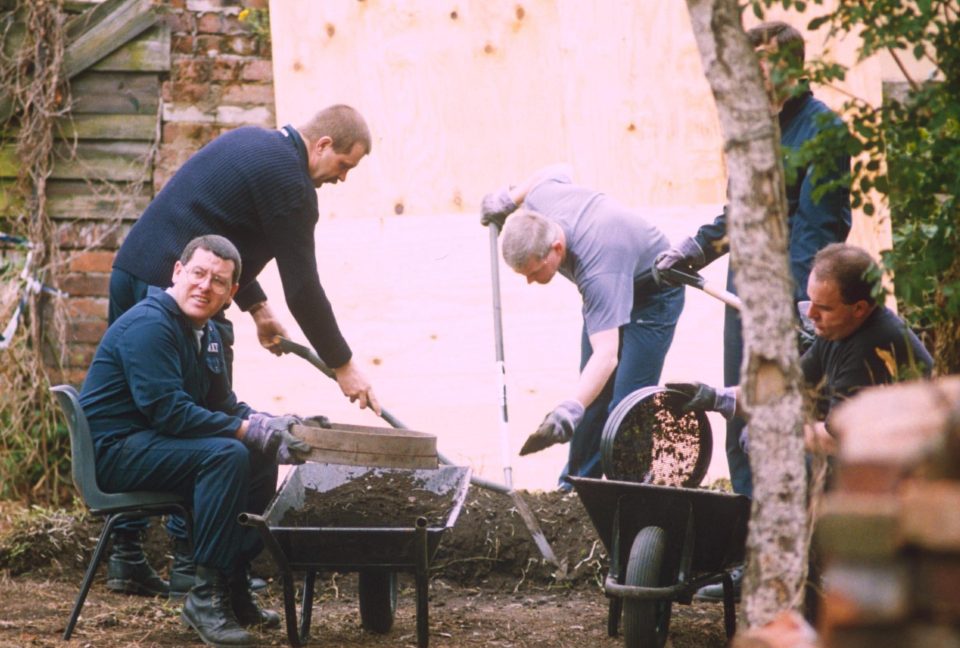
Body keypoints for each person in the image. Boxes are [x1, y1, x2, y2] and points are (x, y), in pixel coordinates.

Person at [103, 104, 381, 597]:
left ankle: (126, 557)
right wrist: (344, 364)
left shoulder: (255, 144)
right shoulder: (294, 187)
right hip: (166, 291)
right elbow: (304, 288)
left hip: (134, 270)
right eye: (344, 166)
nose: (341, 179)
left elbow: (220, 229)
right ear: (321, 146)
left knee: (136, 414)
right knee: (194, 418)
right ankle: (192, 563)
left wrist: (255, 307)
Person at [79, 235, 313, 647]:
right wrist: (245, 432)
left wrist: (272, 424)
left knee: (256, 454)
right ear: (177, 272)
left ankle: (233, 583)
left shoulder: (208, 333)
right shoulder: (150, 325)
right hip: (116, 452)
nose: (205, 286)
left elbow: (223, 405)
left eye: (218, 281)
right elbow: (168, 412)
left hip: (154, 443)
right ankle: (204, 598)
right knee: (225, 454)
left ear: (231, 293)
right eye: (198, 273)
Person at [669, 243, 933, 602]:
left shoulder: (873, 345)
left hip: (907, 472)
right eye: (810, 303)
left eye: (823, 308)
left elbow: (837, 439)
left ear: (859, 308)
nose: (811, 317)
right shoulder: (838, 331)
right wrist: (718, 398)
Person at [654, 21, 852, 500]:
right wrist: (697, 249)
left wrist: (803, 300)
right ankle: (745, 520)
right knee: (739, 405)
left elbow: (820, 223)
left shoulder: (823, 129)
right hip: (742, 290)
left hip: (792, 298)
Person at [481, 164, 685, 489]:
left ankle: (631, 492)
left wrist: (568, 409)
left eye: (533, 272)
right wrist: (508, 198)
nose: (531, 282)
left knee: (626, 405)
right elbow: (552, 171)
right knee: (589, 395)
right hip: (615, 280)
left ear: (556, 248)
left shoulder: (597, 271)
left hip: (654, 291)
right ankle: (574, 490)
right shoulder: (541, 202)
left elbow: (606, 356)